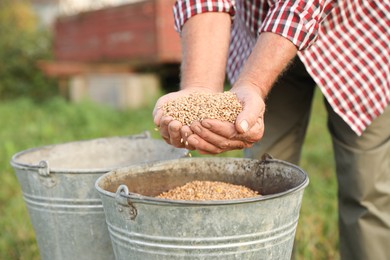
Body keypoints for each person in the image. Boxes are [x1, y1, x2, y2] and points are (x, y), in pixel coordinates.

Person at [153, 1, 390, 259]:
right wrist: (200, 87)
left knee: (366, 185)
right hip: (264, 38)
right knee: (266, 182)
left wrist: (253, 81)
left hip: (355, 35)